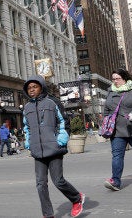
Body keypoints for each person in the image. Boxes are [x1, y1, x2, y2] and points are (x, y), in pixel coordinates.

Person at [22, 75, 85, 218]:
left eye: (35, 87)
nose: (31, 90)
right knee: (40, 184)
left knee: (58, 181)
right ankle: (48, 214)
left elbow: (63, 122)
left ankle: (77, 198)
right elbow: (26, 128)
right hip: (38, 151)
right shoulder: (26, 107)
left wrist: (60, 141)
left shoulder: (52, 102)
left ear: (41, 87)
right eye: (29, 88)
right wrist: (28, 143)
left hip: (54, 149)